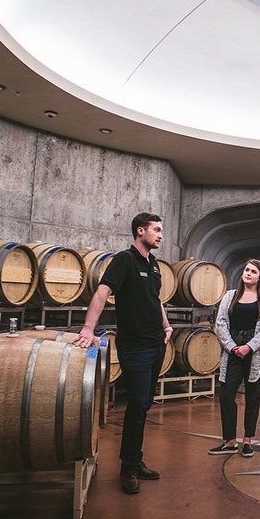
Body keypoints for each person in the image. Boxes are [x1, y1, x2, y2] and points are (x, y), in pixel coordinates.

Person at [75, 212, 173, 495]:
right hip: (135, 347)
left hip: (155, 344)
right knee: (137, 406)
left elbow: (156, 300)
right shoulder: (124, 260)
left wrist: (166, 326)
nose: (160, 235)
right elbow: (103, 292)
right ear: (140, 231)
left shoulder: (153, 265)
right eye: (156, 230)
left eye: (161, 230)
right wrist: (88, 328)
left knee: (143, 406)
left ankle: (135, 459)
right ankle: (128, 468)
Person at [208, 259, 260, 457]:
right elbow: (220, 323)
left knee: (253, 396)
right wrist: (232, 347)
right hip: (233, 349)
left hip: (255, 352)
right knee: (226, 395)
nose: (248, 273)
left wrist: (250, 346)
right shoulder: (230, 296)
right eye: (246, 269)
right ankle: (230, 440)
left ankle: (247, 440)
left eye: (253, 271)